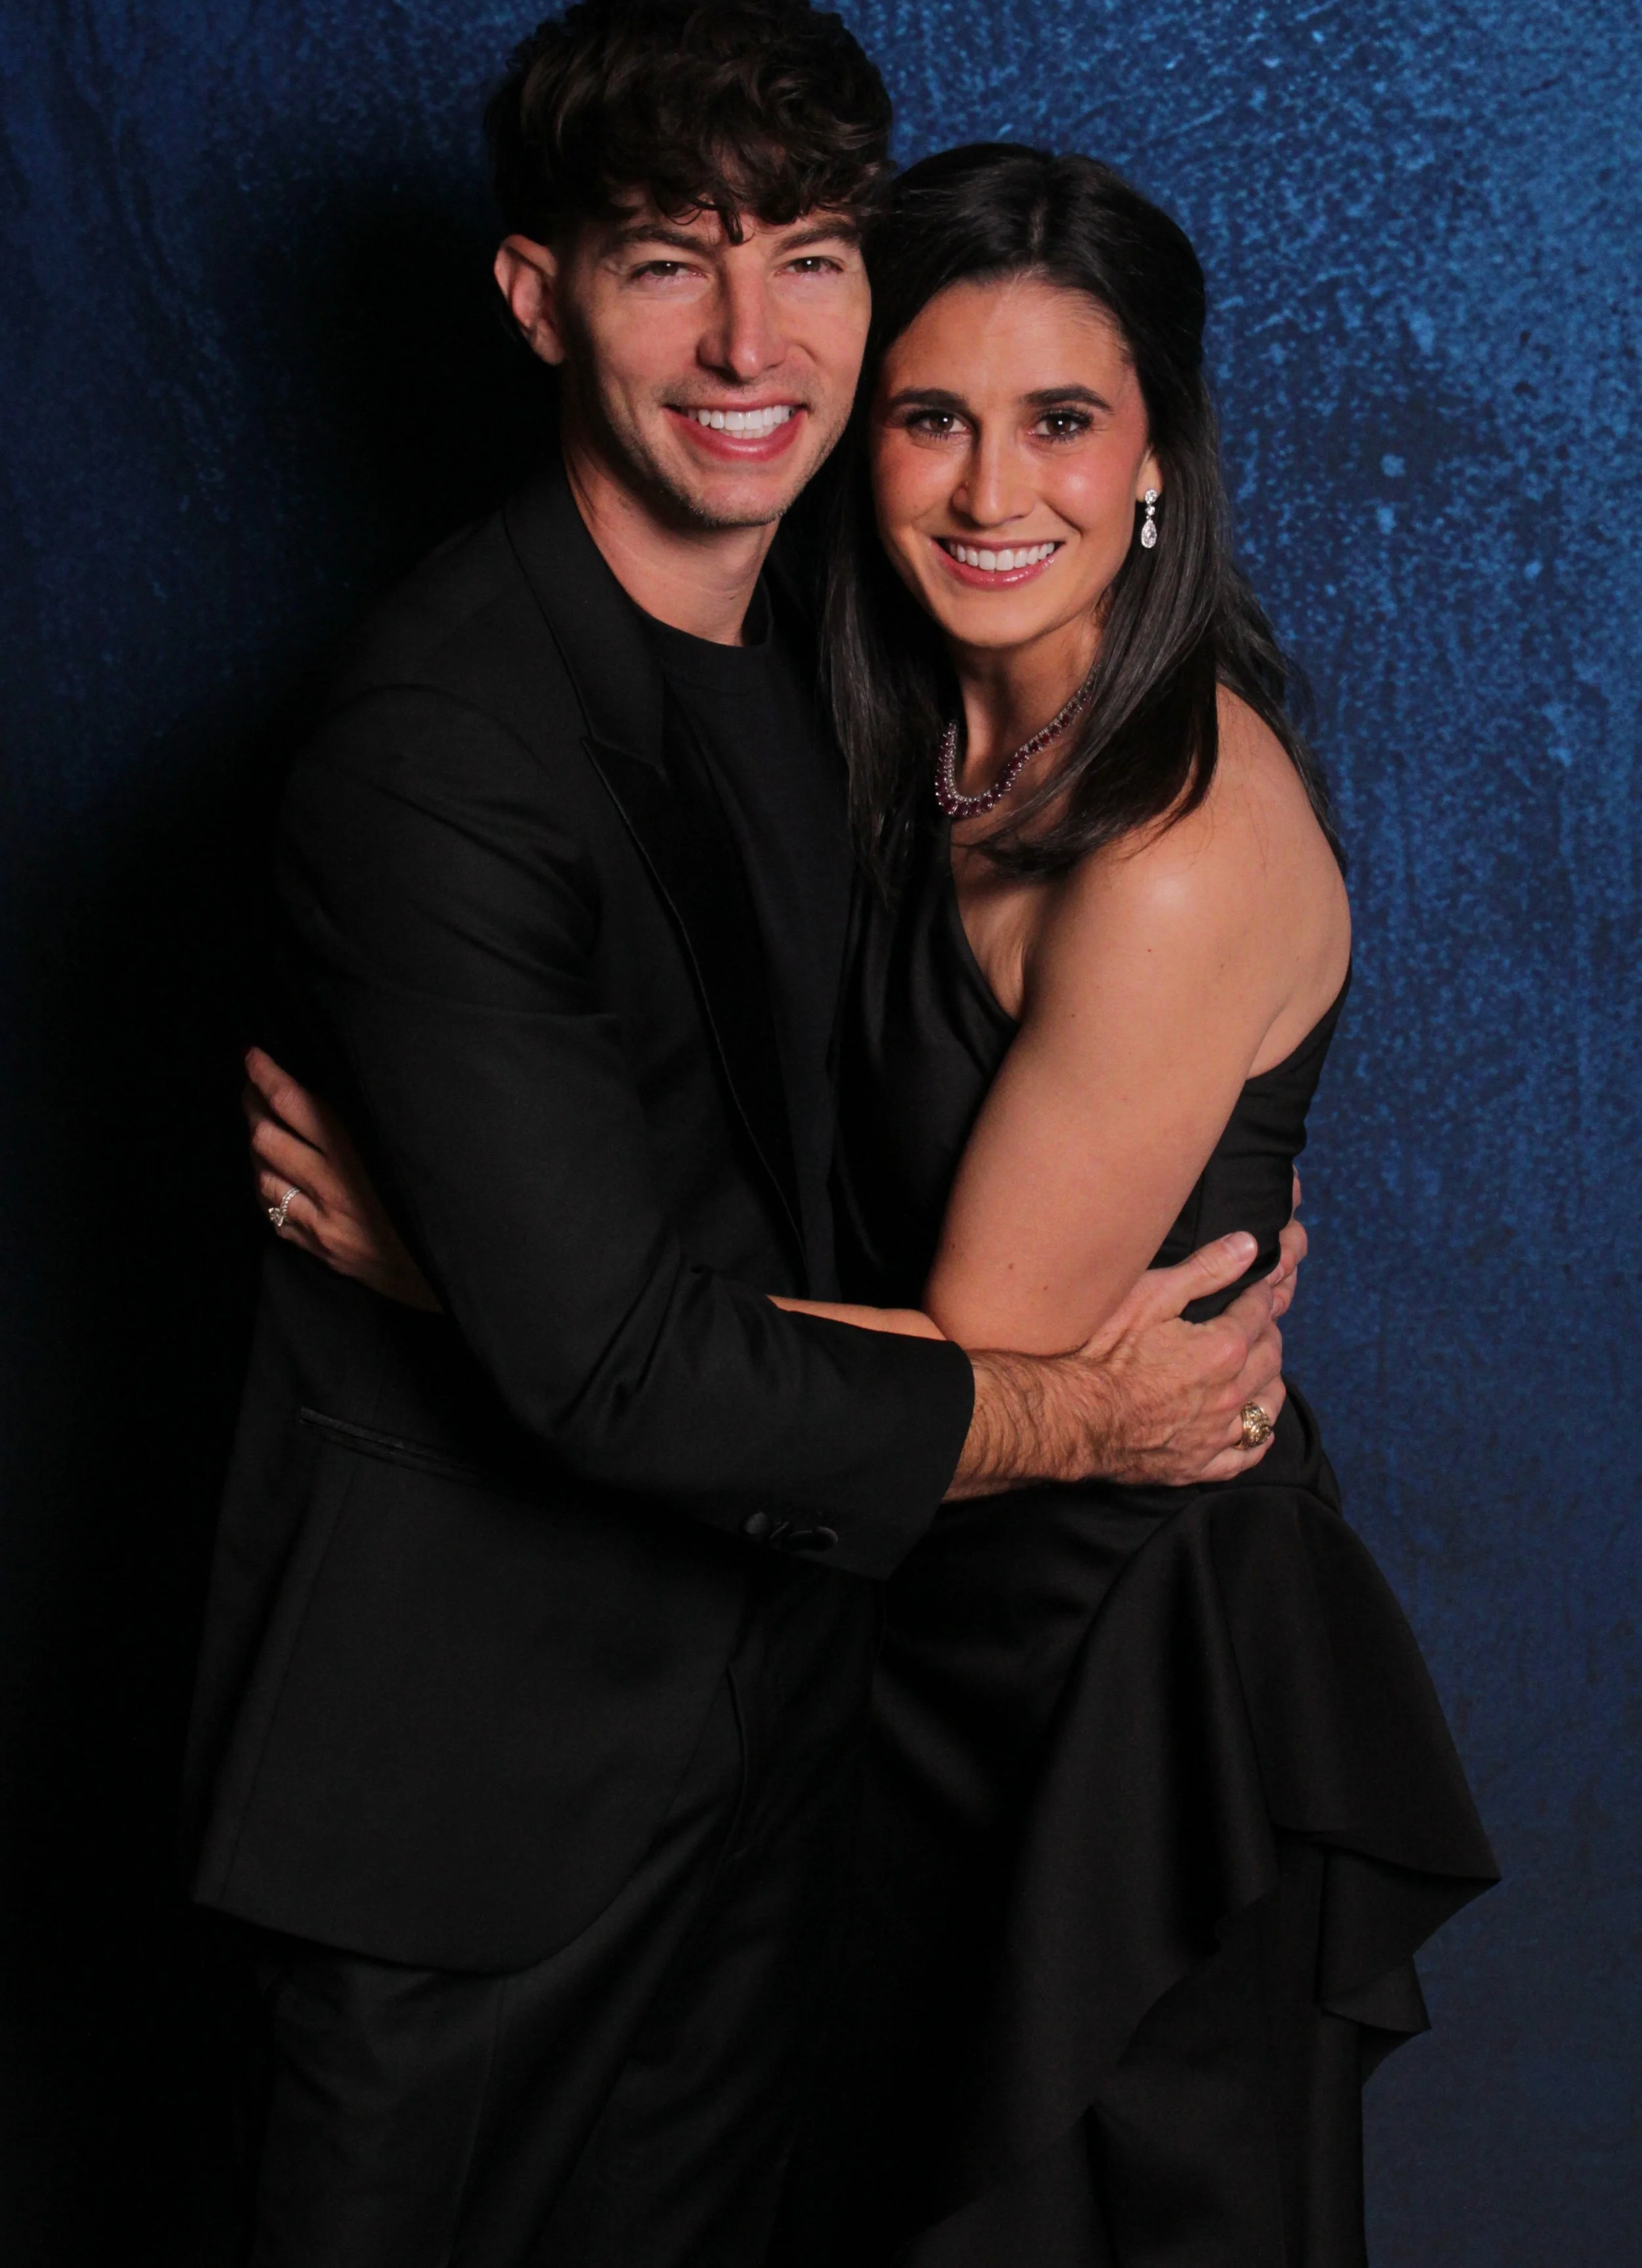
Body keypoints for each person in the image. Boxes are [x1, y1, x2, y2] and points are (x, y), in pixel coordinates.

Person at [267, 143, 1497, 2264]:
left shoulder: (1171, 841)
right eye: (930, 415)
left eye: (1059, 422)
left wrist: (477, 1280)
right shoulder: (900, 739)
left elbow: (982, 1363)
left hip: (1117, 1675)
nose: (985, 489)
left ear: (1154, 468)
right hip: (886, 1640)